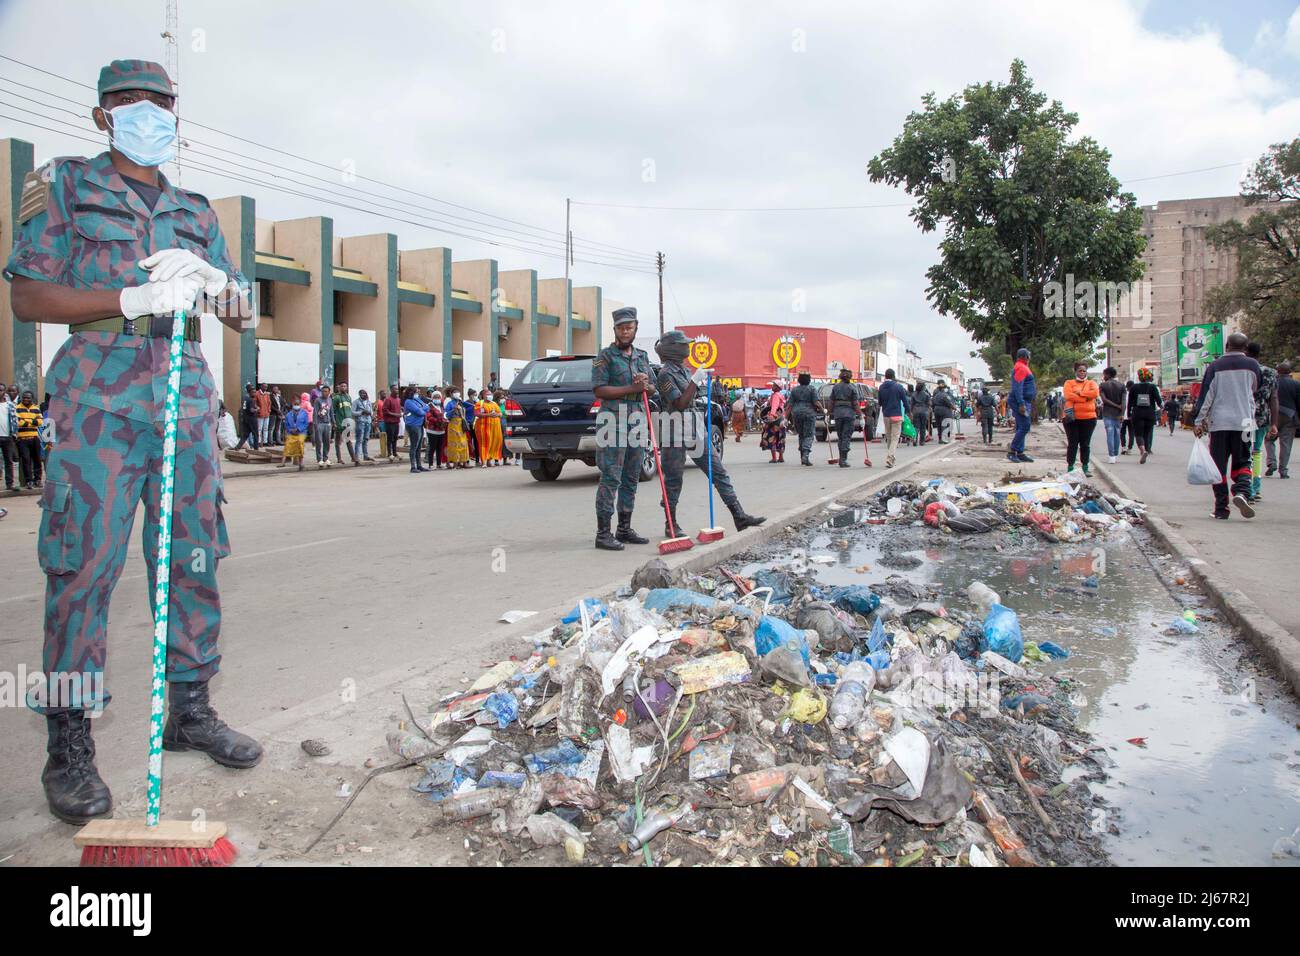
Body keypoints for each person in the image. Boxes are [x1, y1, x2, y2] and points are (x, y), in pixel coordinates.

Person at [3, 59, 262, 823]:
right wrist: (132, 296)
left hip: (182, 394)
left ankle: (190, 708)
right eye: (127, 101)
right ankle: (70, 744)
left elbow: (245, 311)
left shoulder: (196, 208)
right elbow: (26, 293)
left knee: (193, 555)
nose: (145, 112)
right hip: (98, 397)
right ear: (101, 114)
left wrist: (216, 282)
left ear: (175, 116)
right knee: (82, 567)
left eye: (159, 102)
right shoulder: (65, 187)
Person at [653, 331, 765, 535]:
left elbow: (692, 398)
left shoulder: (684, 371)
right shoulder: (665, 375)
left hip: (693, 427)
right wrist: (696, 380)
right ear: (673, 349)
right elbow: (680, 403)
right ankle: (671, 524)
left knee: (718, 471)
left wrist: (699, 382)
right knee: (673, 479)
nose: (688, 347)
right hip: (674, 428)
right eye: (683, 344)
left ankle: (739, 516)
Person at [591, 306, 654, 550]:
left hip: (637, 417)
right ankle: (603, 533)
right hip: (612, 418)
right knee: (610, 475)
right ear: (615, 329)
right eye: (621, 327)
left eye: (629, 327)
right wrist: (632, 389)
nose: (625, 331)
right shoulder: (605, 357)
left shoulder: (642, 356)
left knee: (632, 475)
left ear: (636, 328)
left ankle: (624, 528)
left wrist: (646, 385)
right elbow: (599, 389)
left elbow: (652, 388)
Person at [1193, 331, 1267, 520]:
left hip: (1220, 424)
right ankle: (1242, 492)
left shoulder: (1215, 366)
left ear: (1227, 346)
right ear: (1245, 348)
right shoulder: (1253, 365)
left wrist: (1198, 421)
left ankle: (1221, 509)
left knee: (1218, 467)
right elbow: (1255, 389)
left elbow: (1206, 397)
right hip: (1244, 422)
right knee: (1243, 460)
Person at [1245, 341, 1278, 502]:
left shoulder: (1244, 370)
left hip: (1245, 417)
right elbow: (1274, 398)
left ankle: (1246, 488)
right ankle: (1255, 488)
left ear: (1246, 351)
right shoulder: (1270, 372)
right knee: (1257, 452)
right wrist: (1274, 423)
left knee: (1245, 451)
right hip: (1263, 418)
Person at [1061, 362, 1099, 476]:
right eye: (1080, 370)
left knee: (1085, 444)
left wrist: (1080, 393)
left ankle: (1085, 467)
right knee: (1072, 443)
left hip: (1089, 418)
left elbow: (1095, 393)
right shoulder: (1069, 383)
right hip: (1072, 418)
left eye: (1084, 371)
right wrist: (1085, 398)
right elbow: (1068, 396)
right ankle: (1070, 467)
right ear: (1075, 371)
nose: (1082, 373)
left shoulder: (1092, 383)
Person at [786, 372, 822, 467]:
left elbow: (789, 405)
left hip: (796, 414)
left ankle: (802, 456)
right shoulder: (812, 389)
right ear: (809, 380)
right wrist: (823, 410)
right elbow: (816, 403)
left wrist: (785, 418)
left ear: (799, 380)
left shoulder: (794, 390)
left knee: (801, 435)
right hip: (809, 414)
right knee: (809, 435)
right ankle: (805, 456)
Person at [1007, 348, 1036, 462]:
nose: (1030, 357)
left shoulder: (1022, 367)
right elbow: (1017, 387)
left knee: (1021, 426)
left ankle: (1020, 452)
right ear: (1025, 357)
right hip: (1020, 401)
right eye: (1029, 355)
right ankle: (1012, 450)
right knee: (1025, 426)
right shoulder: (1021, 367)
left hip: (1023, 400)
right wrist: (1021, 403)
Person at [1269, 362, 1297, 479]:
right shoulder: (1296, 384)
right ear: (1289, 371)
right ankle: (1283, 470)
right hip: (1289, 417)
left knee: (1268, 440)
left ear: (1277, 371)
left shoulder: (1272, 382)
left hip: (1272, 416)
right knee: (1286, 444)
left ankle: (1271, 462)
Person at [1128, 368, 1162, 464]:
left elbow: (1129, 402)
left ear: (1139, 377)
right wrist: (1161, 407)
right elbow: (1158, 400)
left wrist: (1128, 414)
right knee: (1146, 434)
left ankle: (1142, 450)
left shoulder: (1134, 388)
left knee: (1138, 434)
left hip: (1137, 414)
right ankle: (1147, 449)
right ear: (1148, 377)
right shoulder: (1153, 387)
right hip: (1150, 414)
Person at [829, 368, 858, 466]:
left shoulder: (835, 387)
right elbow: (855, 403)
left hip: (838, 414)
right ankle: (843, 459)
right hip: (849, 415)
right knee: (846, 436)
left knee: (840, 436)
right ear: (850, 377)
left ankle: (841, 457)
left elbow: (831, 402)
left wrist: (828, 414)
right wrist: (861, 415)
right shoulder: (852, 388)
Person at [878, 369, 907, 468]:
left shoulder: (881, 387)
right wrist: (908, 411)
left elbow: (880, 403)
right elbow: (905, 401)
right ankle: (890, 458)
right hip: (896, 415)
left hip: (886, 415)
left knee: (889, 437)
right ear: (893, 376)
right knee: (895, 438)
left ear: (885, 376)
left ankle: (891, 458)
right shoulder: (898, 387)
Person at [15, 389, 44, 488]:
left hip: (35, 438)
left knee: (37, 460)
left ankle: (38, 480)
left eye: (28, 398)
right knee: (26, 461)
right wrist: (32, 421)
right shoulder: (17, 408)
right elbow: (18, 422)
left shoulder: (36, 408)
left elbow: (40, 422)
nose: (25, 399)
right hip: (22, 439)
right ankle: (29, 481)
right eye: (24, 397)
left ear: (32, 399)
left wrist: (26, 421)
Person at [1099, 367, 1126, 463]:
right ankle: (1115, 453)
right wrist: (1122, 412)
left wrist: (1115, 405)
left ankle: (1111, 456)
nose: (1104, 377)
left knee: (1110, 433)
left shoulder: (1103, 385)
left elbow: (1104, 400)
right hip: (1118, 414)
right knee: (1117, 433)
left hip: (1107, 413)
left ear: (1108, 374)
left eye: (1104, 374)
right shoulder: (1122, 386)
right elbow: (1124, 401)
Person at [278, 393, 310, 471]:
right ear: (293, 404)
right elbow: (286, 424)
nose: (296, 405)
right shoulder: (289, 414)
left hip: (301, 432)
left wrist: (298, 429)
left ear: (300, 404)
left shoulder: (304, 413)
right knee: (288, 444)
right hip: (291, 432)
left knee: (300, 443)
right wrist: (290, 430)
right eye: (295, 404)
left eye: (297, 404)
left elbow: (306, 423)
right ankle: (283, 462)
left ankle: (301, 463)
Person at [402, 386, 428, 472]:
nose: (418, 393)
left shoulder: (417, 400)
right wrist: (423, 410)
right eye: (416, 392)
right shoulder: (408, 402)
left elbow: (426, 407)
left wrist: (422, 409)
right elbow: (419, 412)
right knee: (414, 446)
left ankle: (419, 465)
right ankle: (413, 466)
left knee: (419, 446)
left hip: (420, 424)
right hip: (413, 425)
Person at [474, 389, 503, 466]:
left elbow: (500, 413)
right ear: (483, 395)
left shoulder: (494, 403)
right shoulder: (480, 403)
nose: (490, 396)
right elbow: (477, 414)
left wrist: (497, 415)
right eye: (488, 394)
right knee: (484, 443)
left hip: (495, 428)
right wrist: (488, 415)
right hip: (483, 427)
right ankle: (483, 461)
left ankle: (489, 460)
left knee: (494, 443)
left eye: (490, 394)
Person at [760, 383, 787, 462]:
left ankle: (774, 458)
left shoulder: (775, 395)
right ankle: (781, 457)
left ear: (778, 387)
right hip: (781, 419)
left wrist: (771, 416)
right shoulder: (781, 395)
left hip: (775, 419)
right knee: (780, 437)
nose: (772, 386)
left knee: (771, 437)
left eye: (774, 385)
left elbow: (774, 407)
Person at [444, 387, 470, 468]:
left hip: (461, 425)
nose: (457, 393)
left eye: (458, 392)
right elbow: (446, 415)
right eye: (455, 392)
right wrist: (453, 410)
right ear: (451, 394)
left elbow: (470, 408)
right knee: (455, 444)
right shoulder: (449, 403)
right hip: (453, 425)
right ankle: (455, 462)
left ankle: (464, 462)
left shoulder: (461, 403)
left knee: (463, 443)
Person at [330, 382, 355, 465]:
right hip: (339, 422)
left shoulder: (348, 397)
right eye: (342, 386)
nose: (343, 387)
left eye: (345, 386)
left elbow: (350, 411)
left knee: (348, 440)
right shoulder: (336, 398)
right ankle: (339, 458)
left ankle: (353, 457)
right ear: (339, 388)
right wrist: (334, 422)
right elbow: (332, 410)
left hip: (347, 422)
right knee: (338, 442)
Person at [0, 383, 18, 491]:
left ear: (4, 392)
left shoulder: (10, 405)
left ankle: (9, 483)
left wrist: (14, 435)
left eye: (1, 390)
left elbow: (15, 421)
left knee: (9, 461)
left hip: (8, 437)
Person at [311, 384, 333, 468]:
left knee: (327, 442)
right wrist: (315, 424)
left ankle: (325, 458)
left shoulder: (330, 400)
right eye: (323, 391)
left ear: (329, 392)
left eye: (326, 391)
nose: (324, 393)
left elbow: (331, 411)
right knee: (319, 442)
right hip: (319, 423)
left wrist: (333, 422)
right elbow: (315, 412)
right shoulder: (317, 400)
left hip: (327, 423)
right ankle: (319, 459)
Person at [232, 382, 259, 450]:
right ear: (249, 392)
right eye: (253, 392)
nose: (254, 393)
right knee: (255, 434)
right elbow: (251, 410)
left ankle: (237, 447)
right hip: (252, 419)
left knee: (245, 435)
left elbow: (244, 407)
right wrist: (257, 409)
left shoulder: (244, 398)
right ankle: (256, 449)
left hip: (245, 418)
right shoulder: (251, 399)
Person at [424, 390, 447, 469]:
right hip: (432, 430)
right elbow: (429, 417)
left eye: (438, 397)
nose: (437, 398)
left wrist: (444, 421)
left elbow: (444, 415)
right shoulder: (429, 406)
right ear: (432, 398)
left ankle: (439, 464)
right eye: (435, 397)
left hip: (441, 430)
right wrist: (439, 421)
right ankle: (431, 464)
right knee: (432, 448)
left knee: (439, 448)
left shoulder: (441, 406)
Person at [381, 384, 403, 462]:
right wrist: (395, 414)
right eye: (395, 389)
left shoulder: (398, 399)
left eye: (397, 389)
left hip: (396, 422)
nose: (396, 390)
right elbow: (385, 411)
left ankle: (394, 452)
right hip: (390, 422)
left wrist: (400, 412)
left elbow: (398, 408)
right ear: (391, 390)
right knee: (390, 438)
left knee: (395, 438)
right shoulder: (388, 399)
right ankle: (390, 453)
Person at [352, 388, 374, 463]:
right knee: (359, 440)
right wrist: (361, 412)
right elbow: (352, 412)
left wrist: (370, 413)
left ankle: (366, 455)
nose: (363, 395)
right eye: (362, 394)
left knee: (366, 439)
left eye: (364, 393)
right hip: (360, 422)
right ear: (359, 394)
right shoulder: (356, 402)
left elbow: (371, 412)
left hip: (368, 422)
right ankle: (357, 457)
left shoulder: (368, 402)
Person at [464, 388, 480, 465]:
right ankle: (467, 461)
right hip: (469, 424)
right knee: (468, 442)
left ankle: (477, 460)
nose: (476, 396)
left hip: (476, 424)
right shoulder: (466, 403)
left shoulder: (478, 402)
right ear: (470, 395)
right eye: (474, 395)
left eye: (476, 395)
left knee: (477, 442)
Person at [254, 383, 271, 447]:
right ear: (261, 386)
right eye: (264, 387)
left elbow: (269, 403)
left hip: (266, 414)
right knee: (259, 429)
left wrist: (269, 410)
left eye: (266, 387)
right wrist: (258, 409)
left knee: (266, 428)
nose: (265, 388)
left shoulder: (267, 394)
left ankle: (265, 442)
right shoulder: (257, 393)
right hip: (260, 414)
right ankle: (258, 442)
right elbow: (255, 403)